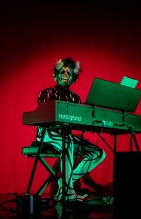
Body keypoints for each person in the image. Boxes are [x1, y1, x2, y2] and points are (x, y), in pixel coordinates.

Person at [36, 57, 106, 202]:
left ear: (73, 76)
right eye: (62, 72)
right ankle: (68, 192)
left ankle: (64, 184)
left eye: (69, 73)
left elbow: (79, 121)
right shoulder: (47, 93)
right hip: (47, 134)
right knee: (68, 143)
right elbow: (43, 117)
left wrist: (92, 124)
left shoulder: (76, 98)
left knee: (99, 153)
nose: (65, 75)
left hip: (66, 135)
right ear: (57, 74)